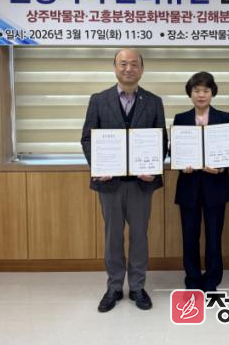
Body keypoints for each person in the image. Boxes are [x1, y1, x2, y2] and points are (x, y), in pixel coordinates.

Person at [81, 48, 168, 313]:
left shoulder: (153, 101)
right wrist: (99, 166)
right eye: (123, 64)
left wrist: (154, 168)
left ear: (141, 69)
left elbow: (161, 140)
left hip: (141, 183)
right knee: (113, 237)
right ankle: (114, 287)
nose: (128, 68)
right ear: (115, 68)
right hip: (110, 183)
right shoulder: (99, 100)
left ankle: (138, 286)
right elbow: (87, 138)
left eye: (133, 64)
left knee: (140, 236)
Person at [173, 72, 229, 292]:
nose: (201, 95)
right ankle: (192, 278)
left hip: (215, 185)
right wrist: (182, 165)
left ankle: (212, 279)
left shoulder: (224, 117)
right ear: (190, 93)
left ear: (212, 93)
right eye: (196, 90)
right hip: (189, 185)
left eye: (205, 90)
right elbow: (175, 150)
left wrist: (221, 166)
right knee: (189, 236)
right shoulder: (181, 119)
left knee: (214, 236)